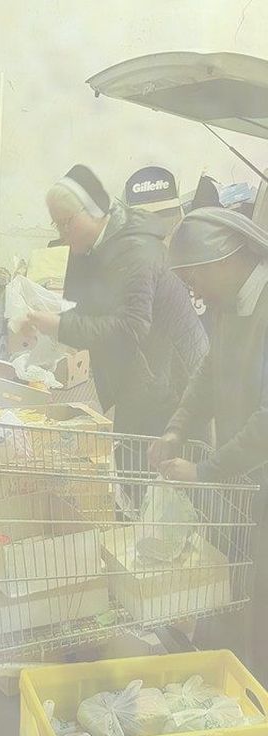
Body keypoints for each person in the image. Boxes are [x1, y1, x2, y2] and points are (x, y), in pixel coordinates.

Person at [150, 207, 268, 670]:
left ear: (224, 260)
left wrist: (207, 471)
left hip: (255, 467)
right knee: (242, 587)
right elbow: (208, 370)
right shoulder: (229, 305)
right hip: (249, 477)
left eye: (192, 276)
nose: (190, 290)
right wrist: (177, 427)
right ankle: (238, 677)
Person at [28, 165, 208, 439]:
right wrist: (43, 324)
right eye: (57, 224)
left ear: (94, 211)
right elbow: (87, 310)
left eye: (67, 222)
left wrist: (60, 326)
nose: (63, 233)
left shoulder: (135, 251)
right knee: (131, 470)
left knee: (158, 471)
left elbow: (131, 328)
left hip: (173, 388)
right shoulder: (98, 248)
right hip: (142, 380)